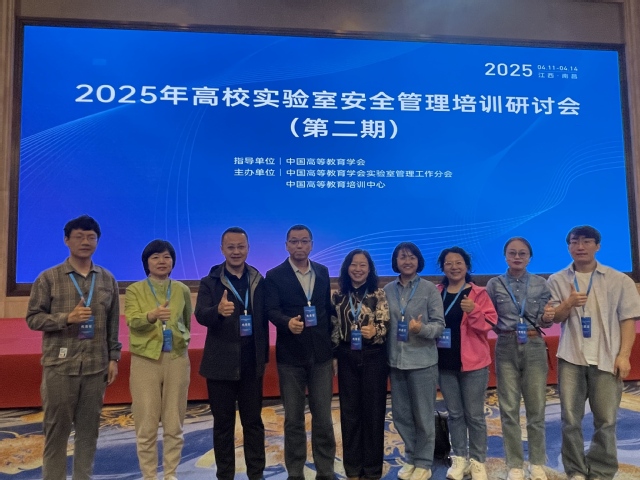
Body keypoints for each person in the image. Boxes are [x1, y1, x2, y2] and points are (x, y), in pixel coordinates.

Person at [25, 214, 121, 480]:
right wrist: (66, 318)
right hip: (60, 366)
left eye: (91, 237)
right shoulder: (49, 278)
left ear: (97, 241)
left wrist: (113, 358)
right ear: (66, 240)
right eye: (79, 236)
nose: (86, 242)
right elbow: (33, 318)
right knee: (57, 432)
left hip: (95, 367)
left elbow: (113, 323)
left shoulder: (107, 279)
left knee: (89, 433)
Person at [547, 225, 640, 480]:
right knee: (570, 420)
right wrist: (568, 303)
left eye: (587, 241)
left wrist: (624, 355)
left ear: (597, 246)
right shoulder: (557, 280)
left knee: (606, 421)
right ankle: (576, 470)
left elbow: (628, 321)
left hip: (607, 357)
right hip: (571, 358)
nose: (580, 246)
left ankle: (601, 470)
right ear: (569, 247)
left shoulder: (619, 280)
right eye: (575, 242)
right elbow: (554, 317)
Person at [195, 227, 269, 480]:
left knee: (253, 423)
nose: (236, 252)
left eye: (241, 247)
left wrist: (263, 357)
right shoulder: (210, 282)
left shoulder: (258, 280)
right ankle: (225, 475)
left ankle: (256, 474)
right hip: (220, 365)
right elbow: (200, 315)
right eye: (231, 247)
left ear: (248, 248)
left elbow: (265, 319)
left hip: (251, 365)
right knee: (223, 426)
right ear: (222, 249)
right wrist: (217, 311)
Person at [264, 224, 336, 480]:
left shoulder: (322, 272)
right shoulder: (274, 275)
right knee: (293, 419)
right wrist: (287, 323)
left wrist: (333, 349)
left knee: (323, 419)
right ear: (286, 245)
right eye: (294, 241)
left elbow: (326, 310)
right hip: (290, 358)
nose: (299, 246)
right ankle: (295, 472)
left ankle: (325, 470)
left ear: (311, 245)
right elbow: (271, 310)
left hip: (321, 356)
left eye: (304, 241)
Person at [485, 237, 553, 480]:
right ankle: (514, 463)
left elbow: (547, 321)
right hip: (506, 346)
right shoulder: (494, 284)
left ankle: (537, 462)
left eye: (522, 253)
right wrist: (504, 331)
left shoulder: (541, 284)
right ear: (505, 256)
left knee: (536, 407)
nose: (517, 257)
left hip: (534, 345)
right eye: (512, 253)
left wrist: (547, 317)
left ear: (529, 257)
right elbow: (489, 317)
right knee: (509, 408)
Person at [124, 239, 192, 480]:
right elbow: (132, 321)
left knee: (175, 422)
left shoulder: (182, 290)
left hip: (177, 359)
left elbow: (186, 320)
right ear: (146, 263)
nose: (162, 261)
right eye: (155, 257)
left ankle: (170, 473)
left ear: (173, 261)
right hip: (146, 360)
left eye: (166, 257)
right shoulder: (134, 290)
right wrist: (151, 316)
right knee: (146, 422)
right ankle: (149, 475)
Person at [384, 242, 445, 480]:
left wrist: (421, 329)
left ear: (418, 260)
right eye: (402, 257)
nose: (407, 261)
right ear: (396, 261)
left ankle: (424, 462)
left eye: (411, 257)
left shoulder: (429, 289)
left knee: (423, 415)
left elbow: (439, 326)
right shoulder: (387, 290)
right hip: (396, 361)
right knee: (401, 415)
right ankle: (411, 456)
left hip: (422, 362)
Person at [435, 247, 497, 480]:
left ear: (467, 266)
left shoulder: (478, 293)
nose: (454, 267)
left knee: (475, 415)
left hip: (474, 364)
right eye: (449, 263)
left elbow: (488, 325)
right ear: (442, 267)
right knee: (454, 414)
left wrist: (474, 311)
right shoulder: (437, 292)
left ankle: (478, 461)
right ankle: (459, 458)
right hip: (444, 363)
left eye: (458, 262)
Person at [331, 249, 390, 480]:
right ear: (347, 268)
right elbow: (334, 327)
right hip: (347, 356)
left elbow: (386, 325)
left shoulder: (378, 293)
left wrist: (376, 331)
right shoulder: (338, 295)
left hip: (374, 356)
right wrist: (334, 355)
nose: (358, 269)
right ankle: (353, 468)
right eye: (354, 264)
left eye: (363, 265)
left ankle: (372, 470)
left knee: (374, 413)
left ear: (369, 269)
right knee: (350, 413)